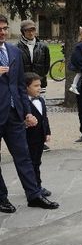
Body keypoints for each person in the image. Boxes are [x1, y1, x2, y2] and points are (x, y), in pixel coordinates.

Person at [0, 14, 59, 212]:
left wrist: (27, 112)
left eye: (5, 28)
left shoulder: (13, 51)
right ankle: (1, 197)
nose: (3, 32)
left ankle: (34, 195)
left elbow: (18, 85)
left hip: (14, 114)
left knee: (24, 156)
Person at [24, 72, 52, 196]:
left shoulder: (40, 100)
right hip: (29, 138)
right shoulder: (23, 103)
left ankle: (35, 185)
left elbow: (44, 118)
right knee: (32, 163)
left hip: (40, 137)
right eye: (35, 86)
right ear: (26, 87)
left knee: (37, 162)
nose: (39, 88)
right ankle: (36, 186)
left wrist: (47, 132)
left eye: (39, 85)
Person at [17, 20, 50, 96]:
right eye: (28, 31)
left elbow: (46, 65)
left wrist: (41, 77)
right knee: (26, 105)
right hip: (24, 84)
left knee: (40, 104)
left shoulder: (43, 47)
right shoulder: (16, 48)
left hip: (40, 83)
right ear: (23, 32)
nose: (31, 33)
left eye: (33, 30)